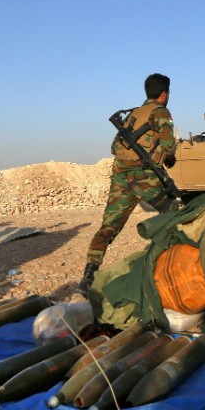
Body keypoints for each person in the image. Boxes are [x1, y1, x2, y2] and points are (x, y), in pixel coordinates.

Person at [77, 73, 178, 298]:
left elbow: (115, 147)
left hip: (121, 178)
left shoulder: (131, 115)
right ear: (164, 94)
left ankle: (88, 276)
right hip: (146, 178)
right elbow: (169, 145)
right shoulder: (160, 111)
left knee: (108, 227)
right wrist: (167, 156)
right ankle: (165, 265)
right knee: (173, 215)